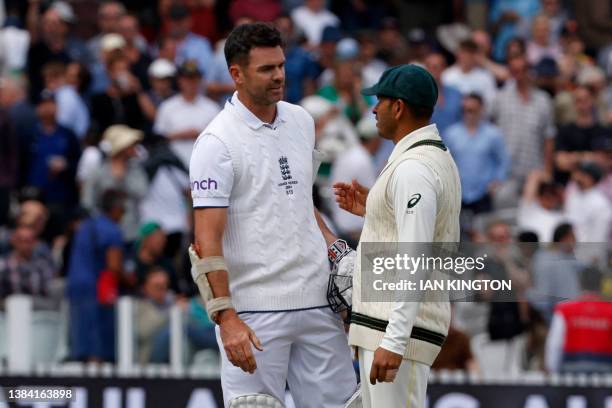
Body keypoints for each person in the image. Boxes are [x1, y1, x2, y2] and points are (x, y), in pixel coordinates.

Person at [188, 23, 357, 407]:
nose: (279, 75)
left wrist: (338, 254)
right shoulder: (215, 143)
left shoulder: (302, 121)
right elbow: (206, 241)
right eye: (266, 69)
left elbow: (299, 201)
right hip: (254, 313)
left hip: (318, 303)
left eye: (280, 65)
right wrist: (225, 317)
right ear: (236, 73)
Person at [332, 64, 461, 407]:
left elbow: (415, 257)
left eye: (380, 100)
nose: (374, 109)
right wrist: (375, 208)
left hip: (394, 331)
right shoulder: (424, 158)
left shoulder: (414, 168)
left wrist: (395, 340)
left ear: (399, 107)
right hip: (388, 328)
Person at [66, 188, 127, 362]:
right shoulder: (112, 230)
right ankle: (96, 386)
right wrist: (130, 279)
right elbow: (114, 266)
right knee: (96, 344)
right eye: (124, 209)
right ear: (115, 208)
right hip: (96, 290)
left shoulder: (86, 225)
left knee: (80, 339)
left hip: (75, 287)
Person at [444, 93, 509, 217]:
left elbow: (503, 160)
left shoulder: (493, 134)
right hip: (458, 194)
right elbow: (444, 162)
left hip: (483, 194)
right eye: (464, 110)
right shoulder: (451, 134)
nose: (468, 114)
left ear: (481, 109)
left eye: (472, 110)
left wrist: (497, 180)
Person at [153, 59, 220, 167]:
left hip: (205, 165)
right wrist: (180, 135)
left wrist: (199, 134)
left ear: (199, 80)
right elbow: (158, 138)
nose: (191, 83)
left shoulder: (212, 108)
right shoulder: (167, 106)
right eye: (187, 79)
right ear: (180, 80)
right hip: (172, 166)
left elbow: (220, 140)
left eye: (194, 78)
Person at [545, 267, 612, 373]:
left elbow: (555, 345)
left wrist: (553, 370)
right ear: (601, 285)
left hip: (572, 372)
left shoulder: (564, 309)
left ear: (580, 284)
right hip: (605, 373)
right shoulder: (610, 311)